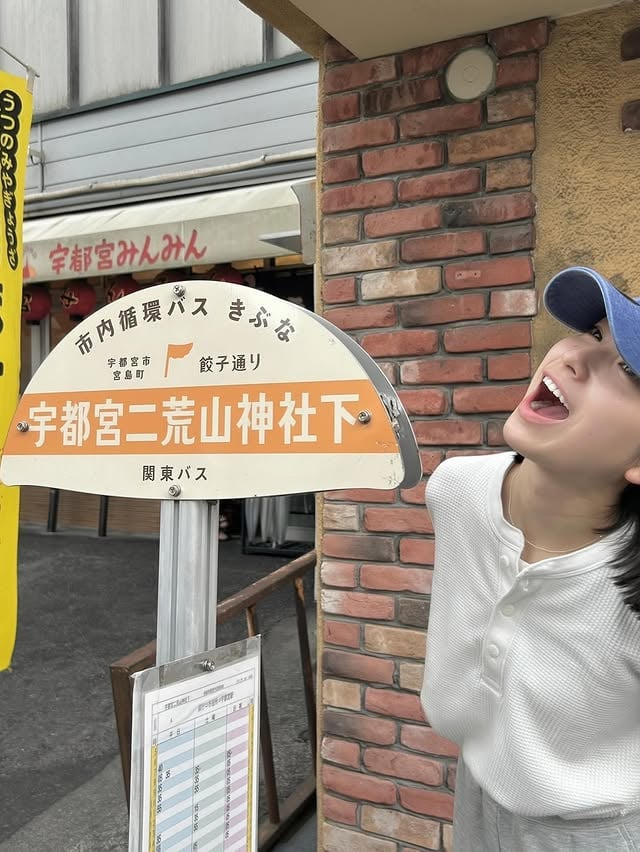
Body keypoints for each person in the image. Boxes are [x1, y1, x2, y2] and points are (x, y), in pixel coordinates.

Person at [421, 266, 640, 851]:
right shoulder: (457, 491)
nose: (573, 358)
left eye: (626, 368)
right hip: (477, 794)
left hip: (600, 830)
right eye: (593, 333)